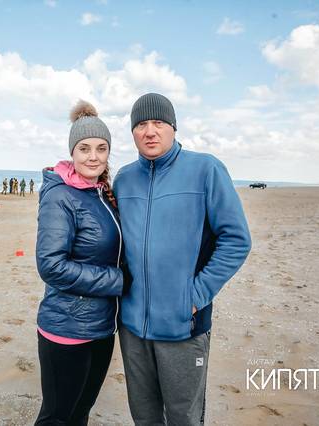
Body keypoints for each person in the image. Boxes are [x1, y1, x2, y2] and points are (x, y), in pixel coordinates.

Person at [113, 93, 252, 425]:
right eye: (141, 124)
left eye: (158, 123)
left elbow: (236, 240)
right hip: (132, 328)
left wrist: (195, 296)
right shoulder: (123, 178)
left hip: (182, 326)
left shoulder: (205, 169)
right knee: (144, 417)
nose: (150, 131)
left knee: (184, 418)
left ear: (173, 127)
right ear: (132, 132)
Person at [35, 100, 126, 425]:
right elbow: (51, 265)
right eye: (84, 148)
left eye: (101, 148)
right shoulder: (60, 196)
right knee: (57, 418)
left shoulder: (100, 193)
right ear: (72, 152)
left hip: (102, 327)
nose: (93, 156)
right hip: (67, 327)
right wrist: (119, 281)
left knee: (79, 415)